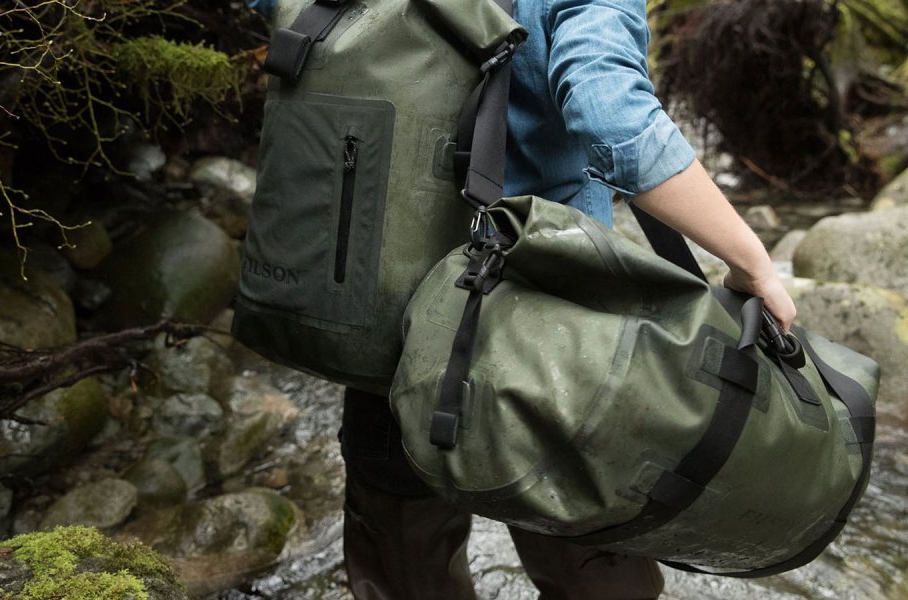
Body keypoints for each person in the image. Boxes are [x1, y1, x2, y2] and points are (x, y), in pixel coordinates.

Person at [340, 1, 797, 599]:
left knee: (403, 558)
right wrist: (751, 262)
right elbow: (607, 108)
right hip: (548, 323)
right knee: (591, 556)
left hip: (382, 299)